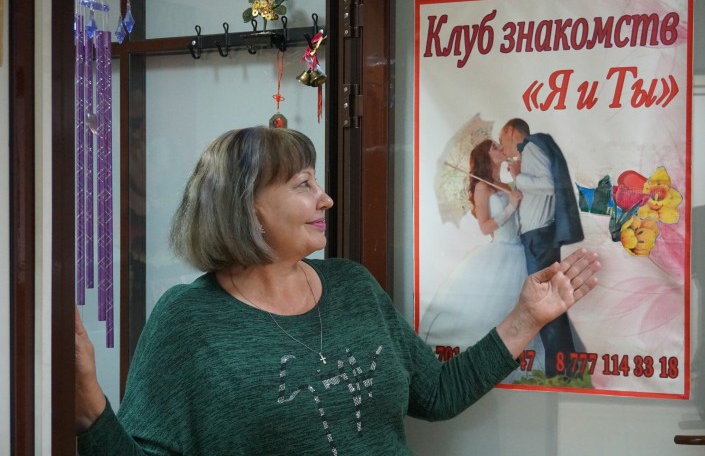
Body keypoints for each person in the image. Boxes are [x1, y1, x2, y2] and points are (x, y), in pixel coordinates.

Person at [76, 126, 601, 455]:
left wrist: (527, 317)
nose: (325, 199)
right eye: (303, 184)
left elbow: (438, 394)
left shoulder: (352, 284)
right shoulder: (188, 319)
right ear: (246, 206)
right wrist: (89, 409)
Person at [419, 139, 546, 382]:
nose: (500, 148)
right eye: (495, 147)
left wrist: (517, 182)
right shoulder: (482, 187)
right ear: (486, 156)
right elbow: (485, 227)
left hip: (521, 250)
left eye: (499, 145)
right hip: (501, 252)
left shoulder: (505, 184)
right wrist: (511, 205)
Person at [499, 118, 585, 378]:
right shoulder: (531, 151)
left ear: (512, 132)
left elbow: (549, 185)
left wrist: (518, 177)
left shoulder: (531, 147)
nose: (502, 148)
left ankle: (562, 371)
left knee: (545, 305)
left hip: (539, 238)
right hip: (538, 238)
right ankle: (564, 369)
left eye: (502, 140)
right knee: (547, 304)